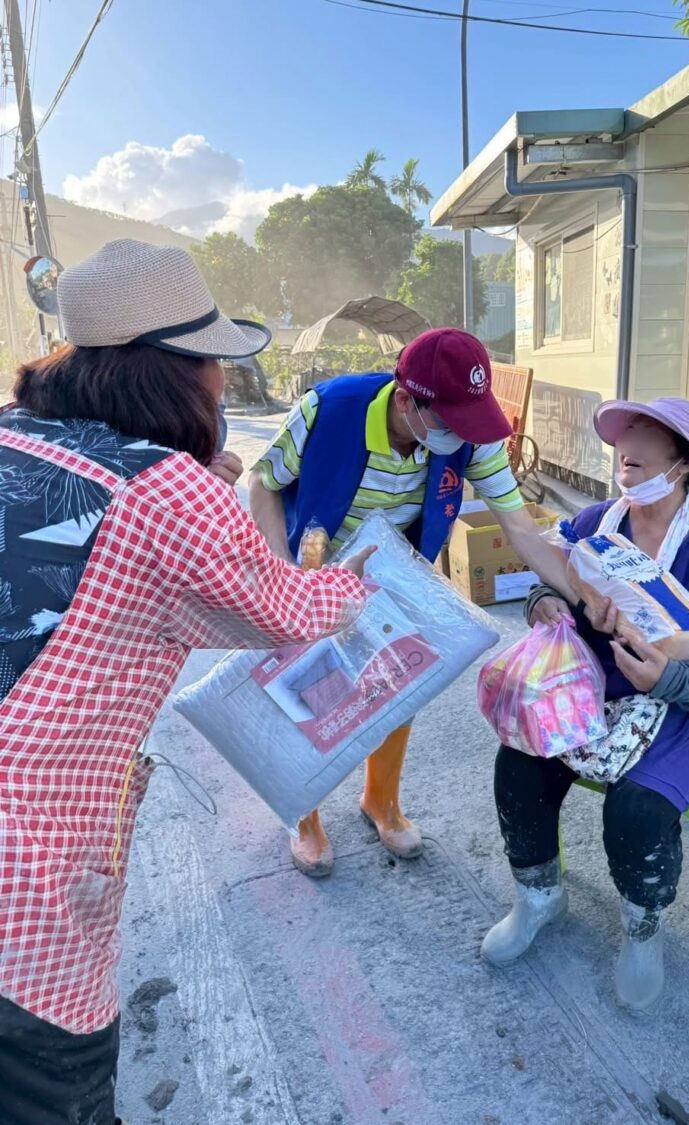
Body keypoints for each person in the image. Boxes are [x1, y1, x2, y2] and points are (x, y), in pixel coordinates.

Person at [0, 238, 374, 1125]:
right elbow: (287, 608)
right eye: (211, 358)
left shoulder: (13, 431)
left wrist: (196, 485)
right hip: (25, 880)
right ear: (173, 369)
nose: (220, 379)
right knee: (52, 1094)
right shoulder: (172, 496)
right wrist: (366, 580)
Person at [250, 328, 578, 877]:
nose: (463, 434)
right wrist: (284, 574)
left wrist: (583, 597)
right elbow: (264, 482)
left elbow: (520, 527)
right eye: (450, 420)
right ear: (406, 401)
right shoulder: (328, 409)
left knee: (395, 682)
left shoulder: (469, 436)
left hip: (396, 569)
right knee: (310, 691)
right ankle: (304, 815)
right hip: (314, 565)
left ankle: (381, 800)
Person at [482, 398, 689, 1010]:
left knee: (636, 809)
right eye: (622, 435)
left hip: (677, 711)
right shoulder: (596, 522)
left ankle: (643, 929)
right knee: (519, 762)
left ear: (683, 461)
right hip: (588, 690)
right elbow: (549, 576)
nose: (625, 446)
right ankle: (538, 896)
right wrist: (544, 603)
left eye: (645, 434)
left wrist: (669, 676)